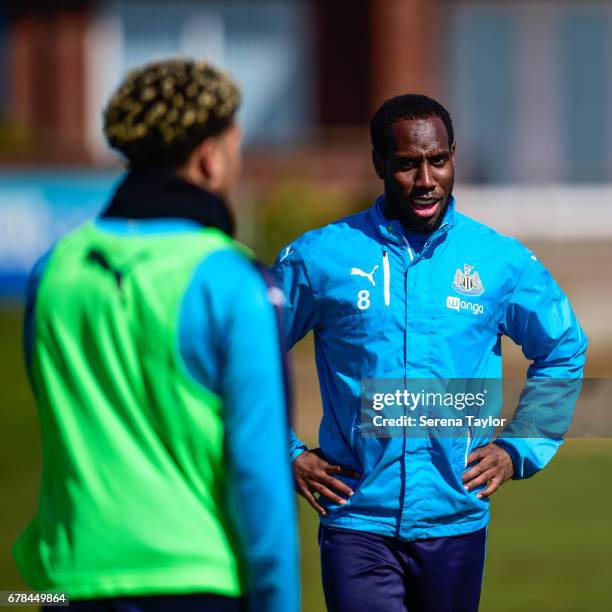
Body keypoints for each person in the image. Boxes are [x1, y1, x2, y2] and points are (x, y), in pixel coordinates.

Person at [272, 94, 587, 612]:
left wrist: (518, 448)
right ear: (379, 163)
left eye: (437, 161)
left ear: (453, 156)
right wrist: (287, 454)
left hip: (456, 521)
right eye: (406, 164)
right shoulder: (321, 257)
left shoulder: (499, 260)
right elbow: (244, 355)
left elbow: (564, 349)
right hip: (357, 522)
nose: (425, 180)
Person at [15, 59, 299, 612]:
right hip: (192, 583)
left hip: (62, 583)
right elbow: (260, 475)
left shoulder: (52, 271)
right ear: (209, 156)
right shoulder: (232, 280)